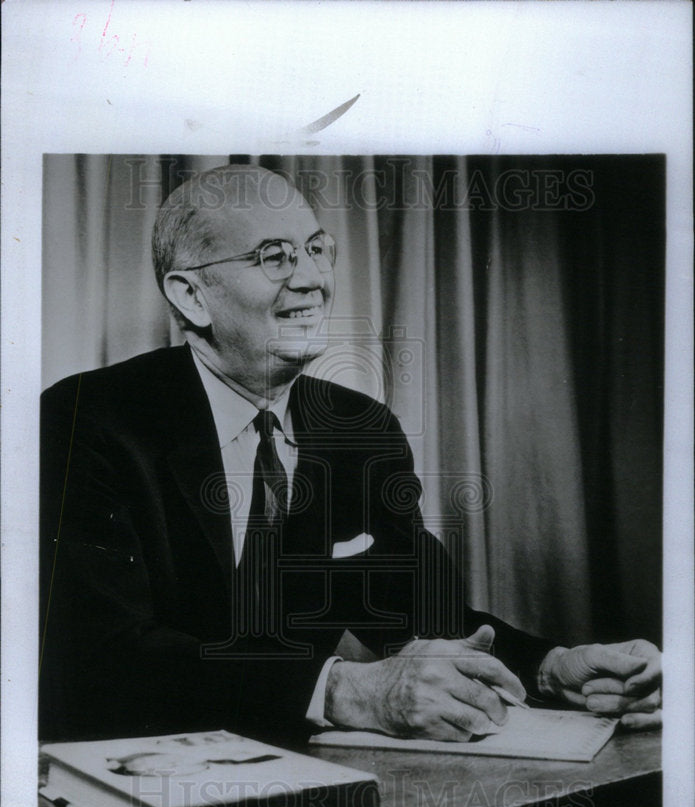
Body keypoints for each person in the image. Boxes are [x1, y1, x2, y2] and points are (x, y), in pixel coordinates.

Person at [39, 165, 662, 746]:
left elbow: (420, 607)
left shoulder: (361, 428)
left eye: (316, 249)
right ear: (192, 296)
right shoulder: (84, 421)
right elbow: (101, 652)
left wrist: (552, 670)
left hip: (313, 782)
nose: (311, 280)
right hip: (133, 781)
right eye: (274, 257)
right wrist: (343, 690)